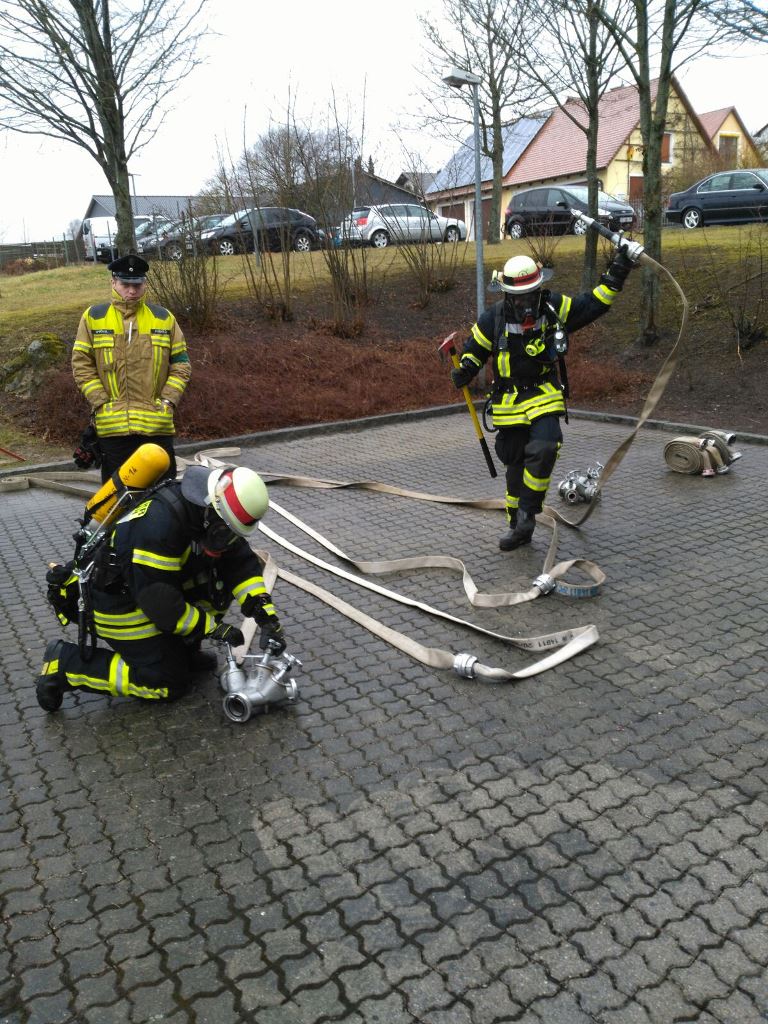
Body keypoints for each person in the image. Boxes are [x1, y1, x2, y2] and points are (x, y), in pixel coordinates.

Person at [35, 463, 286, 711]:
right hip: (119, 605)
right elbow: (162, 604)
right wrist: (214, 628)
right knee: (166, 682)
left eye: (232, 534)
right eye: (224, 533)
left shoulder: (211, 513)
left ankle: (183, 653)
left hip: (150, 594)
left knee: (215, 584)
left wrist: (266, 616)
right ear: (212, 509)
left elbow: (241, 565)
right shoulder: (157, 526)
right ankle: (65, 665)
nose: (226, 541)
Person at [451, 246, 639, 550]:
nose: (526, 304)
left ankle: (528, 513)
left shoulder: (553, 307)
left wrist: (620, 268)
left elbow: (594, 304)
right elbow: (474, 350)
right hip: (508, 403)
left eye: (531, 295)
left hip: (543, 394)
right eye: (519, 298)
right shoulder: (494, 318)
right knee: (515, 464)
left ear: (539, 289)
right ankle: (518, 526)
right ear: (507, 294)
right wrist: (466, 370)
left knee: (546, 444)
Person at [71, 253, 191, 483]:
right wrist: (101, 402)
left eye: (137, 285)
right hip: (113, 429)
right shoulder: (94, 317)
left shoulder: (163, 318)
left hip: (156, 427)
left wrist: (168, 401)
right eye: (125, 284)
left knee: (163, 494)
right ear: (113, 283)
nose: (132, 291)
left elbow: (181, 364)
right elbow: (81, 364)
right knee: (119, 496)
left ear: (145, 284)